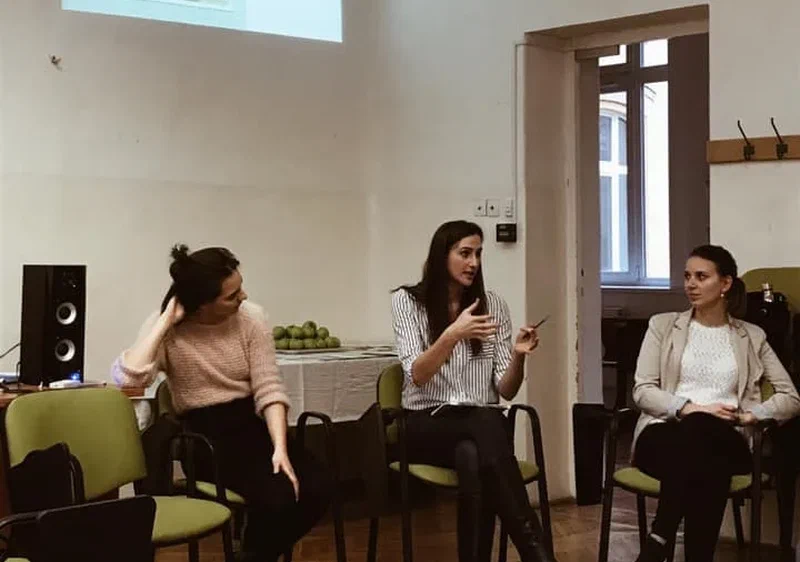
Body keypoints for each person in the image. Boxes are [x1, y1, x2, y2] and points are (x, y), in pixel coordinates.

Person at [112, 244, 330, 562]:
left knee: (319, 486)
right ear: (201, 305)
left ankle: (252, 553)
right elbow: (128, 381)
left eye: (240, 287)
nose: (242, 297)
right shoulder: (168, 329)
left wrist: (280, 448)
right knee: (279, 497)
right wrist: (165, 321)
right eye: (231, 295)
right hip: (205, 436)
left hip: (252, 425)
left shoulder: (251, 318)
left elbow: (269, 388)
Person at [390, 220, 556, 562]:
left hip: (480, 430)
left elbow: (506, 390)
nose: (474, 263)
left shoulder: (493, 305)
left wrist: (518, 357)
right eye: (465, 253)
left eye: (478, 254)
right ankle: (537, 554)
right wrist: (452, 333)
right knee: (484, 423)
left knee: (472, 454)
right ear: (442, 257)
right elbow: (417, 375)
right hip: (425, 422)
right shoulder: (407, 302)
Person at [632, 244, 800, 562]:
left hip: (728, 436)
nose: (690, 284)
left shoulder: (752, 336)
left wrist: (752, 415)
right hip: (663, 434)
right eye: (687, 276)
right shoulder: (663, 326)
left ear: (725, 284)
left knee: (703, 436)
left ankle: (658, 541)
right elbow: (642, 391)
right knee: (705, 458)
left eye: (701, 276)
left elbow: (791, 398)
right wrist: (689, 407)